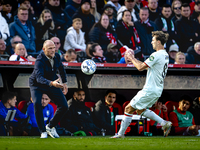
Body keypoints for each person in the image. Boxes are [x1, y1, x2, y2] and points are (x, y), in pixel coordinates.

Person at [111, 31, 172, 138]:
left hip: (150, 89)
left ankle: (120, 134)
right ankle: (164, 123)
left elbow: (140, 67)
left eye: (153, 41)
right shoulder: (165, 55)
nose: (151, 43)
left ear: (158, 42)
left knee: (128, 108)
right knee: (140, 110)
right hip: (157, 89)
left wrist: (131, 58)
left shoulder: (156, 55)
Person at [29, 40, 69, 138]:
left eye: (54, 48)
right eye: (50, 48)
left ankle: (50, 126)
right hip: (37, 84)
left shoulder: (57, 56)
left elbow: (61, 70)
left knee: (64, 106)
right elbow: (39, 78)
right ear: (43, 49)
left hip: (51, 83)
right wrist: (52, 83)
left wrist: (64, 83)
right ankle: (42, 131)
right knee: (37, 103)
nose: (52, 50)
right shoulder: (39, 60)